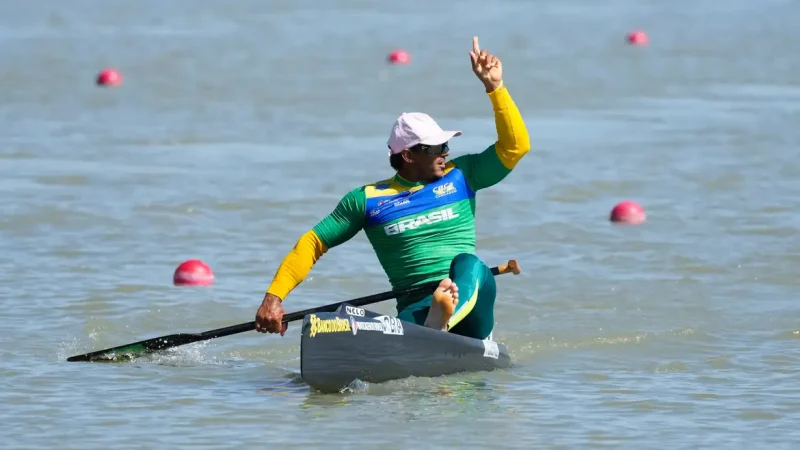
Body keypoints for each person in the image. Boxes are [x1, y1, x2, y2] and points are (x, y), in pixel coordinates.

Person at [255, 36, 530, 339]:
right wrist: (273, 299)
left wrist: (495, 87)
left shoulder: (463, 175)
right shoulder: (368, 200)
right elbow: (312, 243)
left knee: (470, 265)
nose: (445, 152)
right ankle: (430, 326)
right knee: (342, 320)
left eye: (446, 145)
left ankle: (440, 324)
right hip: (415, 310)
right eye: (436, 147)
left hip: (470, 308)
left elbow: (515, 147)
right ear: (409, 155)